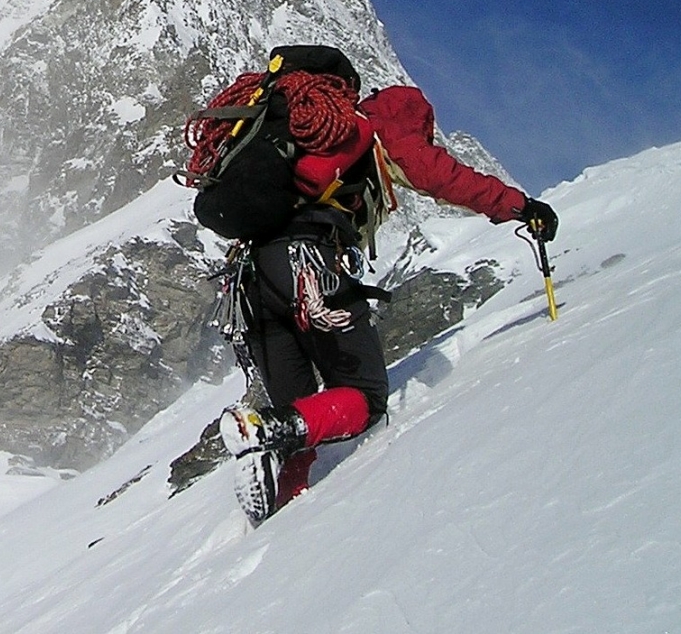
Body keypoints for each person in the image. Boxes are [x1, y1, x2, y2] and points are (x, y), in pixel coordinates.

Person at [213, 62, 558, 524]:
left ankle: (283, 511)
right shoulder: (376, 128)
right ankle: (263, 430)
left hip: (250, 280)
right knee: (365, 395)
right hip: (308, 266)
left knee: (299, 409)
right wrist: (522, 207)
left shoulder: (296, 140)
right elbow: (443, 177)